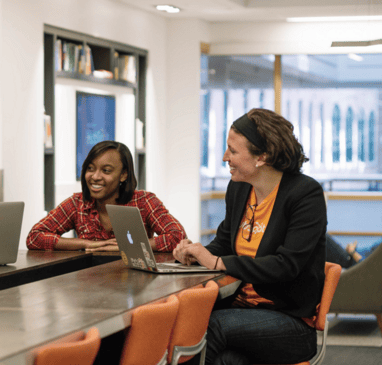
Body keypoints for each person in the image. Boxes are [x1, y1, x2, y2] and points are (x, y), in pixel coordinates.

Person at [174, 108, 326, 365]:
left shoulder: (305, 194)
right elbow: (222, 243)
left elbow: (286, 266)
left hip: (290, 321)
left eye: (233, 151)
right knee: (223, 357)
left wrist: (216, 262)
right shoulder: (239, 188)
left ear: (262, 157)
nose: (225, 157)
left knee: (209, 326)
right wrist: (193, 254)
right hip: (242, 311)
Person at [27, 140, 186, 252]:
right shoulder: (77, 203)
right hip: (89, 285)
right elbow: (35, 237)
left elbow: (177, 237)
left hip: (137, 285)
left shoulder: (144, 201)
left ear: (123, 175)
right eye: (90, 168)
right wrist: (85, 243)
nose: (95, 176)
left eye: (106, 171)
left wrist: (130, 245)